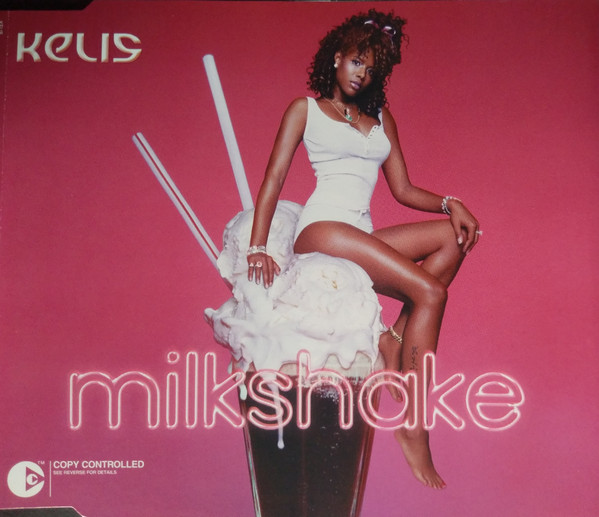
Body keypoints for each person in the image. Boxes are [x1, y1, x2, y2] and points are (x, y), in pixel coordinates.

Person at [246, 9, 480, 489]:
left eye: (372, 69)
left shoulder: (380, 120)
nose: (361, 74)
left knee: (451, 239)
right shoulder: (304, 110)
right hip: (323, 231)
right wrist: (257, 246)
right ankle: (415, 425)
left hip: (361, 237)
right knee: (431, 293)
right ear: (336, 58)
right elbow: (274, 178)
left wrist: (450, 203)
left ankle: (392, 338)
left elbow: (403, 189)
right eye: (356, 62)